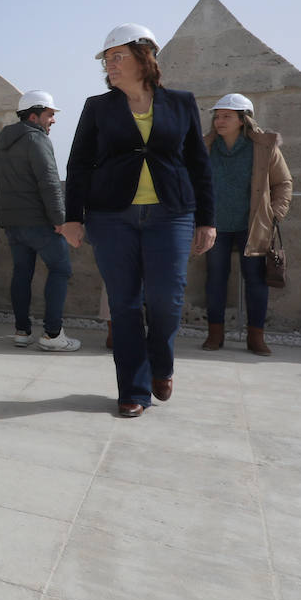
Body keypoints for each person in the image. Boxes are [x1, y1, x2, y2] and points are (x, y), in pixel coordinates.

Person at [60, 24, 215, 417]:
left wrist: (206, 220)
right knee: (125, 305)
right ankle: (134, 389)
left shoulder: (181, 103)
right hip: (111, 217)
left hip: (172, 215)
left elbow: (198, 163)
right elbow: (78, 164)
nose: (110, 65)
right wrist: (72, 218)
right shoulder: (98, 107)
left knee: (166, 299)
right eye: (107, 60)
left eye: (118, 57)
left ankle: (161, 364)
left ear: (144, 58)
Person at [201, 92, 292, 356]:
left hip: (252, 226)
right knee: (215, 279)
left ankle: (256, 338)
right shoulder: (205, 146)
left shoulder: (263, 147)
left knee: (255, 280)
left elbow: (283, 183)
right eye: (217, 116)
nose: (219, 121)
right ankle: (214, 334)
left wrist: (275, 215)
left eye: (227, 116)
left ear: (243, 119)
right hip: (214, 226)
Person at [0, 89, 82, 351]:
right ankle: (53, 335)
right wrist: (60, 220)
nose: (53, 120)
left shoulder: (4, 143)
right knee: (61, 269)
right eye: (49, 115)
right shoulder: (37, 140)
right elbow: (50, 183)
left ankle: (22, 331)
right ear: (34, 116)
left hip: (13, 223)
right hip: (39, 222)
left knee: (22, 272)